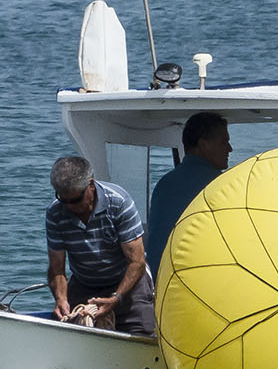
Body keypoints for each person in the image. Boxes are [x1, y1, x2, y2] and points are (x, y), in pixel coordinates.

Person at [44, 155, 155, 335]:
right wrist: (61, 299)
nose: (70, 206)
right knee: (74, 336)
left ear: (91, 185)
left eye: (76, 199)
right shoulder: (55, 213)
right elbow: (57, 269)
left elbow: (137, 262)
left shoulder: (119, 203)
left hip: (128, 281)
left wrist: (116, 298)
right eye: (64, 200)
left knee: (140, 335)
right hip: (84, 283)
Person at [145, 111, 233, 275]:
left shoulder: (164, 184)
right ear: (203, 145)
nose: (230, 149)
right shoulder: (221, 186)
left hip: (159, 281)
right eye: (224, 142)